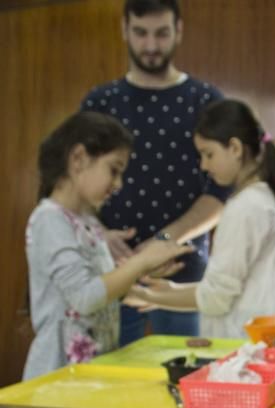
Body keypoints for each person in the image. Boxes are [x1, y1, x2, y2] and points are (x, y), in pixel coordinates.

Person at [81, 0, 229, 343]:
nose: (150, 45)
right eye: (141, 33)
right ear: (124, 30)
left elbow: (221, 192)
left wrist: (163, 242)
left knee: (183, 382)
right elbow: (71, 184)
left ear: (179, 31)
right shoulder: (100, 102)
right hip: (109, 274)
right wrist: (97, 234)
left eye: (161, 33)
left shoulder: (205, 100)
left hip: (183, 277)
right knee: (112, 389)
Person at [24, 112, 193, 380]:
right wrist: (142, 260)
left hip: (91, 377)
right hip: (57, 380)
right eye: (114, 170)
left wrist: (143, 273)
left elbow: (103, 292)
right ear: (78, 158)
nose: (118, 184)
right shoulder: (49, 219)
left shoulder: (89, 222)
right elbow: (85, 298)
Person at [123, 99, 275, 338]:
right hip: (251, 347)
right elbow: (228, 289)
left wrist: (151, 296)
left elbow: (217, 298)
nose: (204, 166)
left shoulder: (245, 207)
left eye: (208, 154)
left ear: (235, 148)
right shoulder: (256, 199)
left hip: (243, 350)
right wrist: (172, 291)